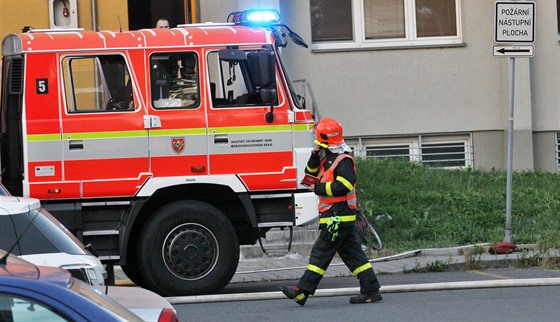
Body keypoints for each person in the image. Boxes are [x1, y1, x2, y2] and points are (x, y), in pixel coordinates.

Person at [280, 118, 382, 305]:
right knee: (353, 255)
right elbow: (310, 174)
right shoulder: (327, 157)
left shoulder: (343, 160)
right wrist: (314, 155)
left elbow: (344, 185)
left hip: (337, 216)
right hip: (337, 216)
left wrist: (318, 189)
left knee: (321, 253)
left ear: (323, 138)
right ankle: (371, 290)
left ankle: (302, 291)